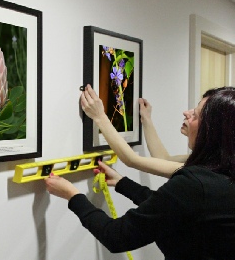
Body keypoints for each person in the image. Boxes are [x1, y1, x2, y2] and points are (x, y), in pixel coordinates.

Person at [45, 85, 235, 259]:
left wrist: (72, 195)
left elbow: (117, 236)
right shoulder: (222, 172)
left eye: (196, 114)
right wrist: (123, 183)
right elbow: (171, 205)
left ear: (213, 132)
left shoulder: (196, 183)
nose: (186, 113)